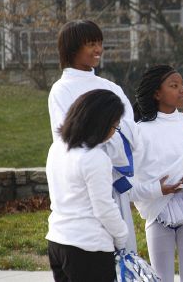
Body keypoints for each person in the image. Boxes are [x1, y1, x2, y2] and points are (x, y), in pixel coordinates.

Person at [48, 20, 138, 252]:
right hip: (82, 188)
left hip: (114, 184)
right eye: (91, 44)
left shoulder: (111, 87)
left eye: (100, 43)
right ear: (72, 48)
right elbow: (68, 137)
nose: (98, 49)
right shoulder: (62, 89)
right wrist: (107, 137)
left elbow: (131, 132)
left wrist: (104, 137)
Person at [46, 89, 128, 282]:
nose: (113, 132)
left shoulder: (56, 147)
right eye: (115, 126)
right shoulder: (95, 158)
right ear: (101, 123)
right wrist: (122, 236)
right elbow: (104, 208)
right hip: (89, 246)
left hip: (57, 240)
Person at [131, 65, 183, 282]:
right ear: (156, 93)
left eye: (182, 85)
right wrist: (157, 189)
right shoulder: (139, 130)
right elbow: (130, 182)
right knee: (161, 278)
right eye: (174, 85)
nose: (182, 90)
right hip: (158, 213)